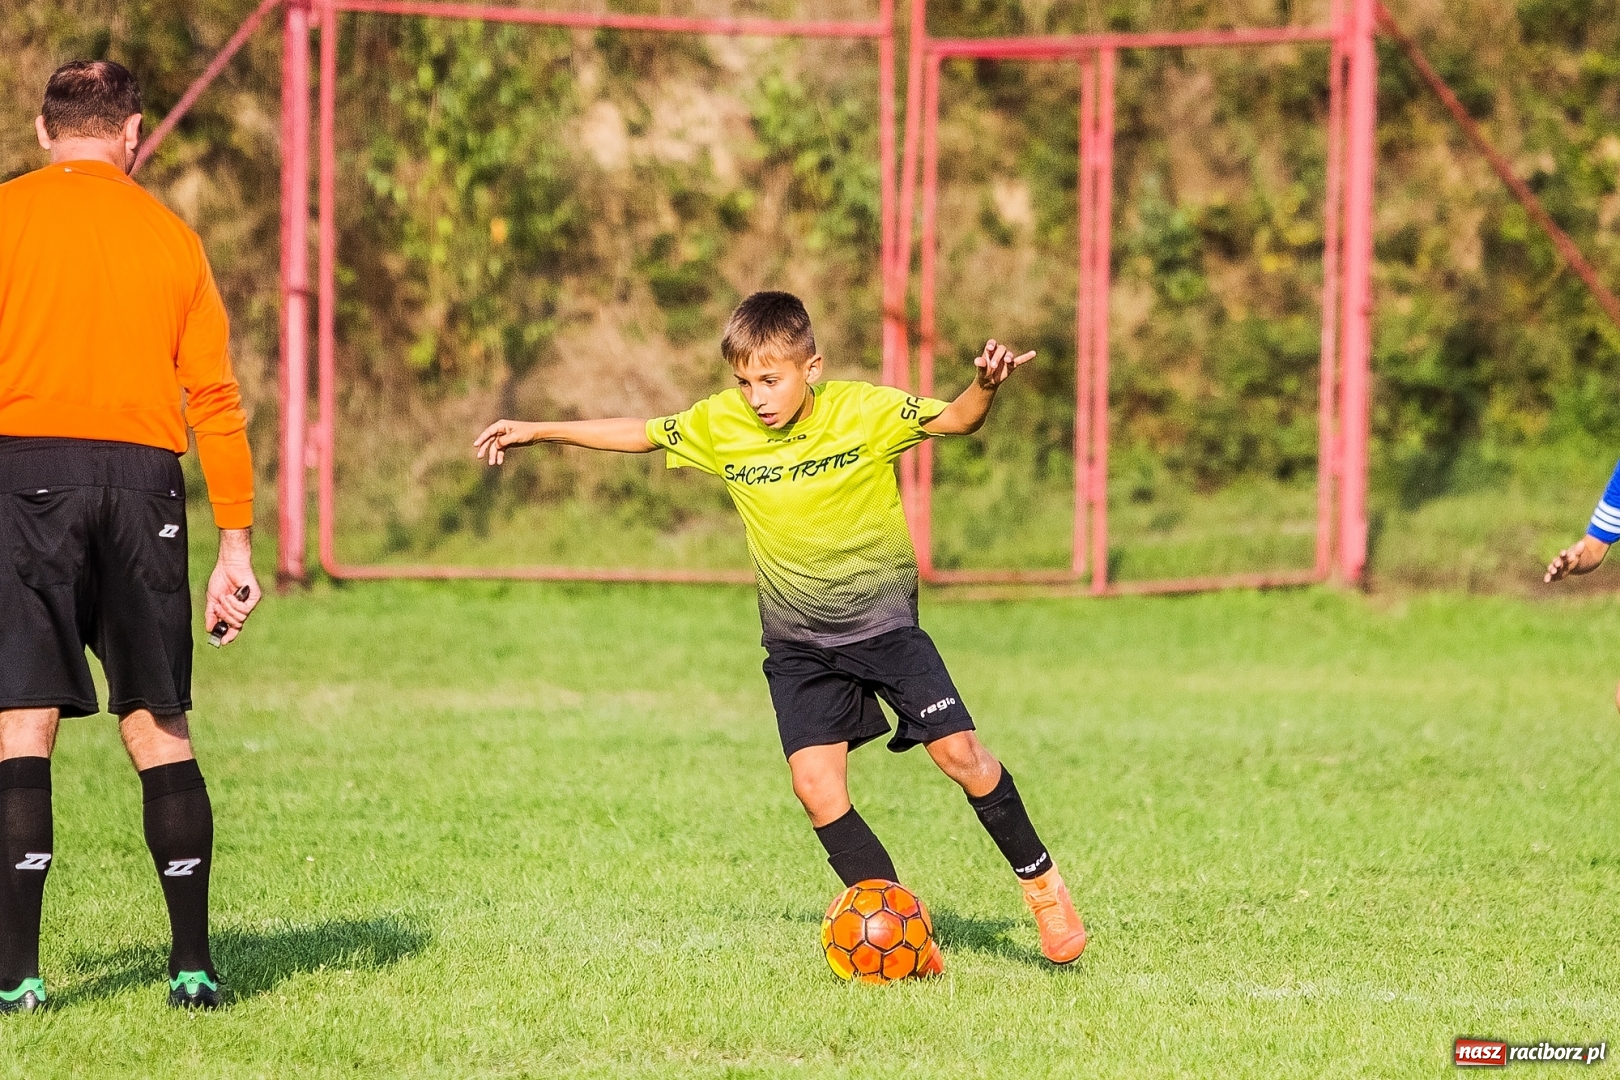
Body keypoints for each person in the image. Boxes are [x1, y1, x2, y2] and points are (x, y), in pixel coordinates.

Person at [474, 291, 1087, 967]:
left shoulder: (865, 410)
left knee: (960, 756)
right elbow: (643, 433)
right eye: (744, 381)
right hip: (798, 644)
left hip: (884, 629)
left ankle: (1043, 889)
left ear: (812, 367)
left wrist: (983, 385)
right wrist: (538, 429)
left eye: (771, 379)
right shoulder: (721, 424)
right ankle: (900, 932)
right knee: (816, 788)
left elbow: (957, 420)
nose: (757, 396)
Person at [0, 60, 260, 1012]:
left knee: (20, 719)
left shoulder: (7, 216)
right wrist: (234, 545)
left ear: (42, 130)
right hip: (144, 480)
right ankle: (191, 969)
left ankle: (19, 982)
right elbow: (216, 400)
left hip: (22, 473)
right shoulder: (171, 236)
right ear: (133, 132)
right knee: (157, 719)